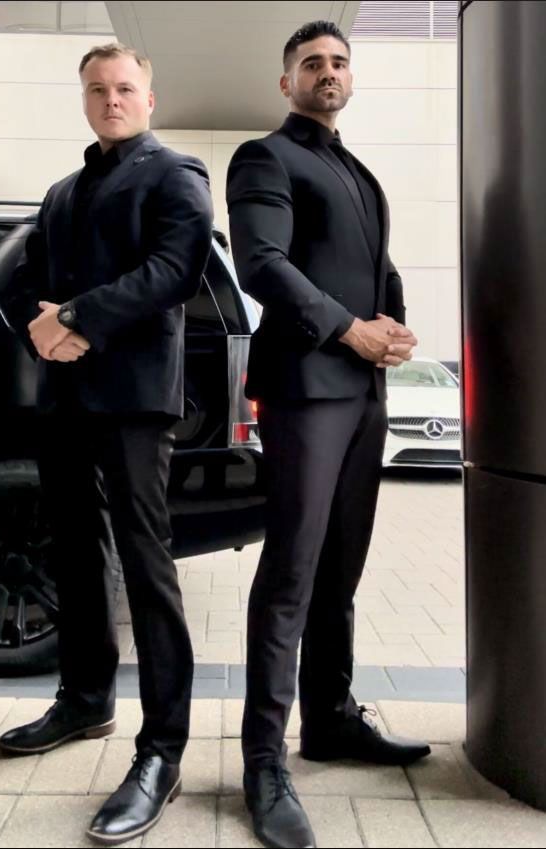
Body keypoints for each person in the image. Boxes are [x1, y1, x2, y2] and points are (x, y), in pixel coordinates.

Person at [0, 43, 213, 846]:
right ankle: (85, 699)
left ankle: (162, 750)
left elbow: (176, 268)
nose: (111, 99)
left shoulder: (175, 171)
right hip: (65, 398)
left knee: (146, 565)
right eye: (98, 89)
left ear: (149, 98)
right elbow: (22, 277)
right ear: (83, 98)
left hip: (132, 400)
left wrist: (79, 318)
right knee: (75, 557)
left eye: (125, 88)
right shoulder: (59, 191)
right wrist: (43, 331)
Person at [226, 21, 431, 849]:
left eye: (340, 62)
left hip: (366, 391)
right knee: (293, 570)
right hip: (308, 385)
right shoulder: (266, 158)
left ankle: (332, 717)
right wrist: (348, 328)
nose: (328, 72)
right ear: (287, 83)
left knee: (342, 565)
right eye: (312, 63)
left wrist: (395, 326)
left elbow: (381, 268)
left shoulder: (360, 174)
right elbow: (262, 264)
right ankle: (262, 759)